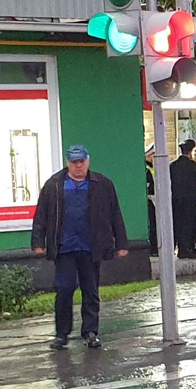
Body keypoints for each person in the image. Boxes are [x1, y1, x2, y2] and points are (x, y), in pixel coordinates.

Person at [31, 145, 129, 350]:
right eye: (74, 162)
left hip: (91, 246)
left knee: (91, 290)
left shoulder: (102, 184)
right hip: (64, 246)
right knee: (64, 289)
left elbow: (115, 214)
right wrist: (38, 242)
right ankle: (61, 334)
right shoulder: (54, 185)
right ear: (68, 163)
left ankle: (90, 331)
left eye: (81, 162)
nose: (78, 166)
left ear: (88, 161)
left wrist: (121, 243)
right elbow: (41, 215)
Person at [169, 138, 196, 259]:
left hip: (176, 200)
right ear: (191, 151)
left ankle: (181, 249)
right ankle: (190, 248)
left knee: (178, 225)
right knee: (191, 226)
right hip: (191, 200)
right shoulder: (193, 165)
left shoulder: (172, 165)